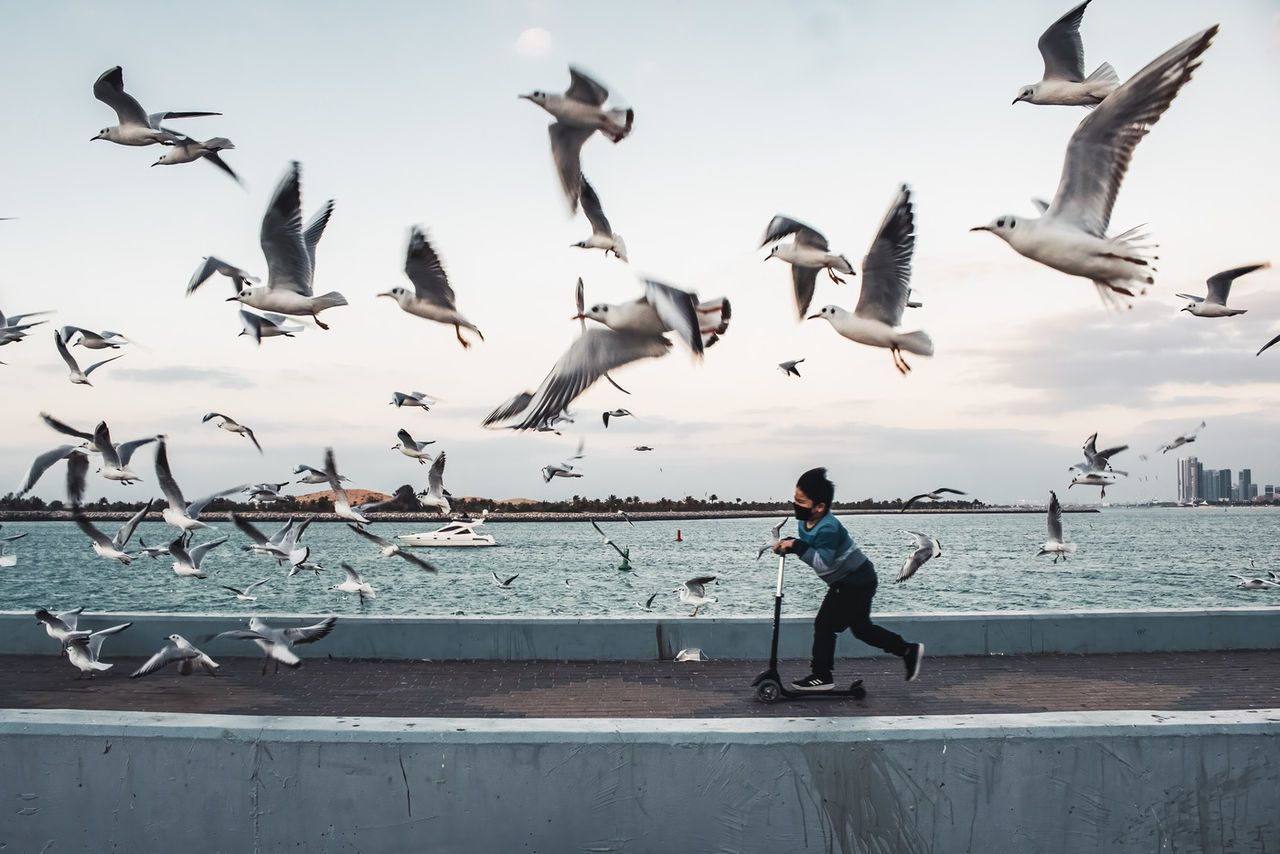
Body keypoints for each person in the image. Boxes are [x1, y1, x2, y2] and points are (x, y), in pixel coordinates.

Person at [773, 467, 924, 691]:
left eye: (801, 501)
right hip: (851, 580)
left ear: (820, 507)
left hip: (855, 581)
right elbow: (808, 546)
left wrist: (795, 546)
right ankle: (907, 650)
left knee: (824, 625)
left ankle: (822, 676)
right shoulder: (804, 522)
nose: (796, 505)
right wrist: (789, 543)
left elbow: (822, 562)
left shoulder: (829, 528)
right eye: (795, 499)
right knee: (861, 629)